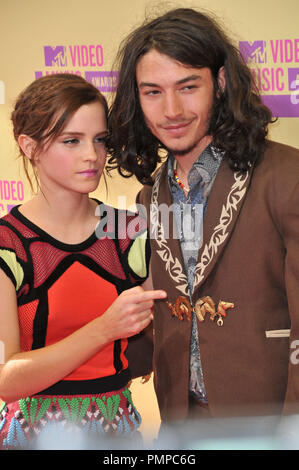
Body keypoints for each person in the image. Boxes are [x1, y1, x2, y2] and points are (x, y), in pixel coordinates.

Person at [108, 7, 299, 426]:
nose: (171, 110)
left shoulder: (286, 177)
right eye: (152, 92)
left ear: (221, 81)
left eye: (188, 86)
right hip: (182, 425)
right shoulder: (149, 196)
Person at [0, 73, 166, 450]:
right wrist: (104, 328)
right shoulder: (8, 243)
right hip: (31, 438)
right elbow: (5, 379)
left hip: (119, 435)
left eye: (99, 140)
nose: (92, 155)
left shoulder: (130, 231)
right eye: (71, 141)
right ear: (30, 147)